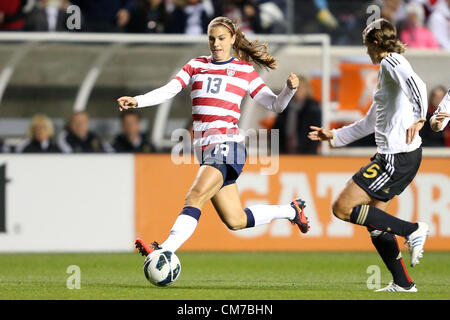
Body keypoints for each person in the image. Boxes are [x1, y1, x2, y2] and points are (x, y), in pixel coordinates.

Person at [118, 16, 309, 257]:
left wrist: (288, 91)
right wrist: (138, 101)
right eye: (211, 38)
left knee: (194, 196)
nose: (216, 43)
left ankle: (164, 251)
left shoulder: (244, 70)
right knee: (236, 220)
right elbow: (169, 90)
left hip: (228, 146)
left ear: (232, 39)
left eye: (221, 38)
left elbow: (274, 105)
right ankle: (291, 211)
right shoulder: (196, 65)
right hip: (206, 152)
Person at [309, 18, 429, 292]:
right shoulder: (387, 78)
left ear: (374, 43)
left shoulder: (392, 62)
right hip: (398, 156)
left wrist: (421, 118)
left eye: (366, 44)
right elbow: (368, 123)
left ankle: (413, 230)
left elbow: (418, 87)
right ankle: (403, 283)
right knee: (375, 222)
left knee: (341, 207)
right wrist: (335, 136)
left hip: (395, 157)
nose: (365, 50)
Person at [273, 74, 321, 154]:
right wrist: (275, 152)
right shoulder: (285, 106)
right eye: (296, 88)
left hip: (305, 153)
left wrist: (310, 153)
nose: (298, 91)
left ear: (307, 89)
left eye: (301, 88)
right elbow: (276, 129)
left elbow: (316, 132)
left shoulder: (312, 107)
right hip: (285, 151)